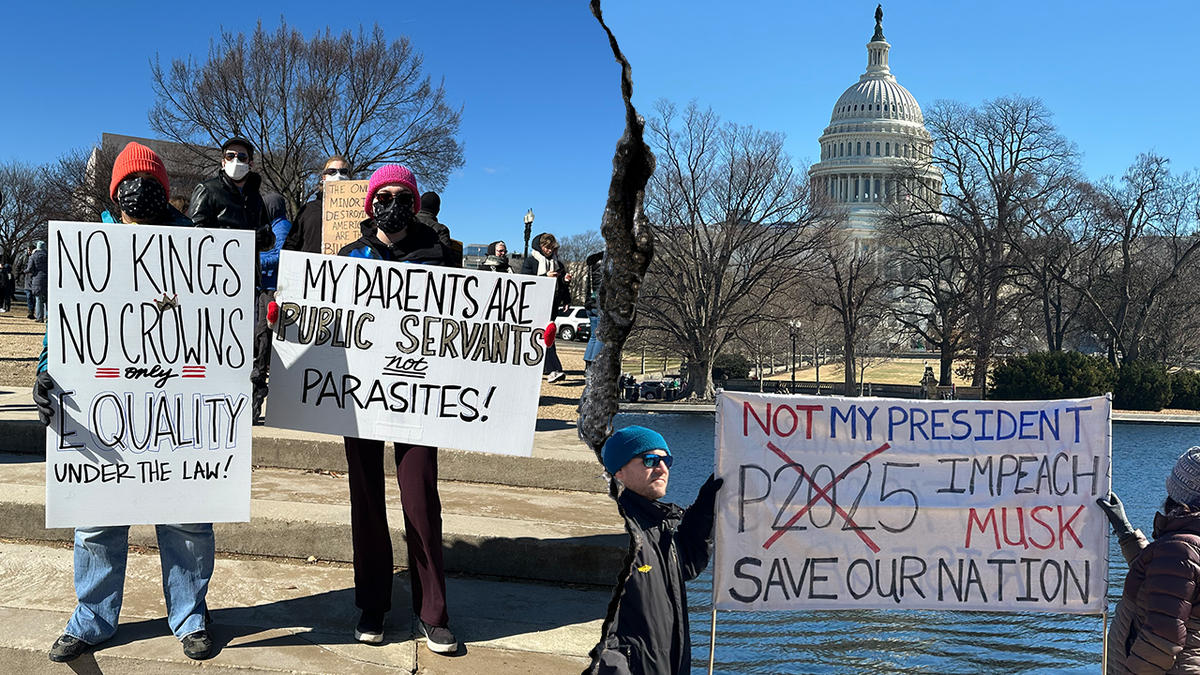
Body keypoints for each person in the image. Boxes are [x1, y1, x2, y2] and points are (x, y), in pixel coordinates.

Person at [36, 142, 216, 663]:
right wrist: (46, 373)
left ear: (168, 192)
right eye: (132, 183)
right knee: (97, 519)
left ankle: (190, 615)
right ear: (115, 192)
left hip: (178, 410)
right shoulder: (88, 248)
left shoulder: (199, 250)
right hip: (105, 411)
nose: (144, 191)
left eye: (154, 183)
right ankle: (92, 618)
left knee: (186, 520)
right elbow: (64, 329)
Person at [337, 164, 458, 654]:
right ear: (370, 203)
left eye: (399, 195)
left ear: (413, 201)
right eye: (382, 195)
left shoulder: (443, 258)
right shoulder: (349, 257)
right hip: (360, 398)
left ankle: (434, 611)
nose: (390, 203)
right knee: (365, 501)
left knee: (421, 500)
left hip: (419, 397)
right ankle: (373, 603)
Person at [592, 426, 722, 675]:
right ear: (619, 471)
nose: (662, 469)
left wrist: (706, 507)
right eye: (651, 460)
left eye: (667, 460)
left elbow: (687, 564)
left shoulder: (658, 525)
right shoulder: (619, 530)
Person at [1100, 447, 1200, 674]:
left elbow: (1161, 640)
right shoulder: (1186, 545)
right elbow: (1162, 580)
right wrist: (1125, 532)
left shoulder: (1180, 549)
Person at [188, 136, 275, 253]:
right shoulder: (207, 189)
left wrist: (265, 239)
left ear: (251, 164)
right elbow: (193, 232)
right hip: (217, 266)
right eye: (230, 156)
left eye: (242, 157)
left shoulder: (255, 196)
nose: (236, 161)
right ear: (223, 162)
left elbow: (268, 232)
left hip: (250, 267)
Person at [251, 193, 293, 421]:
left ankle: (258, 396)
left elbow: (279, 256)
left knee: (263, 342)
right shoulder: (267, 226)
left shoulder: (282, 226)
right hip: (261, 289)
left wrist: (252, 256)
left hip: (272, 291)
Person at [521, 232, 571, 383]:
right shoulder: (531, 262)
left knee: (546, 334)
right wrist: (544, 278)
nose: (549, 250)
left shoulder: (558, 264)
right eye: (546, 247)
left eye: (551, 247)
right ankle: (553, 369)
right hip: (533, 303)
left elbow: (562, 286)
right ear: (539, 246)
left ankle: (548, 368)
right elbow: (525, 281)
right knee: (544, 334)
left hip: (552, 303)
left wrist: (565, 282)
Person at [285, 156, 352, 254]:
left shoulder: (358, 213)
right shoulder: (308, 210)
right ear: (324, 177)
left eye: (343, 171)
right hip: (311, 267)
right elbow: (291, 244)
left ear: (349, 176)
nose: (338, 175)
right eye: (331, 171)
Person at [583, 250, 605, 368]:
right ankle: (594, 365)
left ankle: (588, 364)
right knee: (600, 336)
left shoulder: (591, 266)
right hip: (601, 304)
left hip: (590, 303)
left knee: (593, 336)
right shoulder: (606, 265)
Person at [25, 240, 48, 322]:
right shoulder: (49, 255)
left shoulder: (33, 256)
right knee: (47, 299)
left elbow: (30, 268)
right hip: (48, 279)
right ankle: (47, 316)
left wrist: (24, 271)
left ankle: (39, 317)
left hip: (37, 279)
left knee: (39, 299)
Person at [23, 244, 36, 319]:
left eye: (29, 250)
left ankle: (32, 310)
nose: (28, 252)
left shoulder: (34, 257)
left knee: (33, 297)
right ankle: (30, 311)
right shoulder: (24, 258)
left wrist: (25, 271)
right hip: (27, 280)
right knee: (29, 296)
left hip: (34, 279)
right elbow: (19, 266)